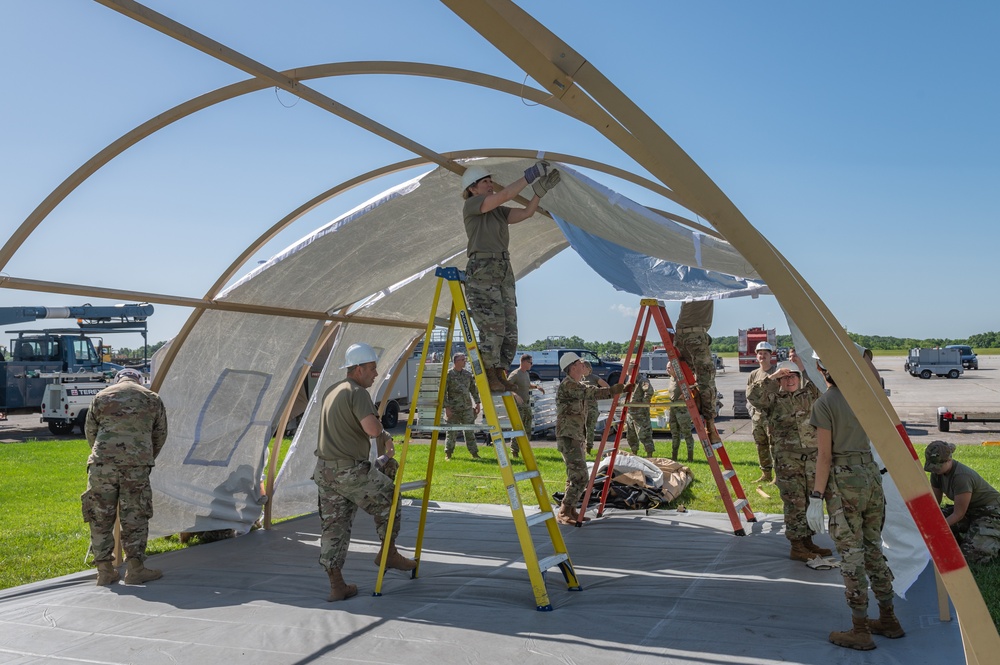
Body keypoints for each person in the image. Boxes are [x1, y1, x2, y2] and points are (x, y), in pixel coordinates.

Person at [807, 350, 902, 650]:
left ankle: (860, 629)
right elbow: (873, 376)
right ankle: (888, 618)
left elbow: (824, 456)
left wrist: (816, 496)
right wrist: (860, 357)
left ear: (821, 370)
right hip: (871, 476)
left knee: (851, 554)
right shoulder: (865, 395)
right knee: (873, 548)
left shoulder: (825, 403)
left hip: (845, 481)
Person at [313, 342, 416, 602]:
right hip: (350, 470)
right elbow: (371, 429)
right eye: (371, 368)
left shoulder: (332, 390)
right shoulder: (357, 392)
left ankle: (337, 585)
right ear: (358, 369)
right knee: (390, 500)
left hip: (326, 471)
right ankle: (389, 552)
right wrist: (384, 434)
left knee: (334, 527)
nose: (375, 373)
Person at [461, 161, 561, 393]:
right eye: (485, 182)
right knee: (493, 328)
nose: (489, 185)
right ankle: (487, 374)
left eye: (490, 181)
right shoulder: (473, 205)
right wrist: (530, 176)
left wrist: (538, 193)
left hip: (502, 268)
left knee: (509, 329)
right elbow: (505, 194)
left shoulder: (496, 210)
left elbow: (526, 212)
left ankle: (499, 372)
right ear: (472, 189)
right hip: (483, 269)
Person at [81, 367, 167, 586]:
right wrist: (145, 457)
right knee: (135, 516)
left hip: (102, 466)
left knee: (100, 517)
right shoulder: (152, 399)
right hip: (136, 466)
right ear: (139, 380)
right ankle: (135, 569)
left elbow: (91, 431)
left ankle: (104, 571)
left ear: (118, 379)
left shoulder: (101, 396)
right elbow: (159, 434)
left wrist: (105, 457)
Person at [746, 352, 831, 562]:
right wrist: (772, 377)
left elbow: (823, 378)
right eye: (785, 377)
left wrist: (806, 364)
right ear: (779, 380)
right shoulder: (773, 399)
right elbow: (753, 396)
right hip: (788, 460)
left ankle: (808, 541)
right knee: (795, 503)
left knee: (811, 500)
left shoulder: (810, 393)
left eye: (793, 376)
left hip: (812, 458)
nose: (790, 380)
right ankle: (797, 545)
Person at [555, 352, 630, 524]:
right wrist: (613, 390)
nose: (584, 365)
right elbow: (590, 393)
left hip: (575, 436)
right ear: (573, 367)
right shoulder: (569, 385)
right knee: (580, 476)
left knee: (575, 476)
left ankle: (571, 510)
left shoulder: (576, 384)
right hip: (569, 437)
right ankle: (565, 511)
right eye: (581, 363)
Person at [925, 440, 1000, 564]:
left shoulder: (962, 477)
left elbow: (958, 514)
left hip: (991, 513)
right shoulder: (937, 473)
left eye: (937, 465)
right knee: (935, 521)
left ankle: (992, 538)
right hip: (970, 511)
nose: (934, 469)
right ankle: (968, 538)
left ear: (949, 460)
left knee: (971, 557)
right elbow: (935, 505)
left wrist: (936, 529)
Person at [673, 300, 718, 438]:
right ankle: (709, 422)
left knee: (688, 377)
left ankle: (692, 400)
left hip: (682, 336)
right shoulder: (703, 284)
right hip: (695, 336)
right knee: (707, 379)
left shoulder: (689, 286)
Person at [748, 341, 778, 482]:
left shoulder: (776, 372)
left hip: (772, 415)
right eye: (760, 353)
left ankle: (778, 476)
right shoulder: (754, 374)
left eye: (765, 353)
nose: (762, 356)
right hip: (758, 416)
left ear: (770, 356)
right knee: (761, 445)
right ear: (756, 356)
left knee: (775, 446)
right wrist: (752, 412)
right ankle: (766, 474)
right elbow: (749, 394)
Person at [443, 352, 482, 461]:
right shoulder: (448, 375)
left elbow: (473, 390)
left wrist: (478, 403)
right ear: (456, 362)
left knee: (469, 431)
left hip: (467, 408)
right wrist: (447, 408)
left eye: (465, 360)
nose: (465, 362)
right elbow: (442, 393)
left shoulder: (467, 374)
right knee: (451, 432)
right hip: (453, 409)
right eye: (462, 360)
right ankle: (448, 453)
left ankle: (474, 453)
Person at [506, 353, 544, 459]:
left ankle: (525, 450)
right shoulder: (515, 374)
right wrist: (515, 395)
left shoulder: (526, 374)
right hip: (518, 406)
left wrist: (536, 387)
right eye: (530, 362)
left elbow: (527, 386)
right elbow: (507, 387)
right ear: (523, 362)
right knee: (518, 428)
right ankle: (515, 451)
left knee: (527, 428)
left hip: (526, 405)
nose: (531, 364)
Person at [666, 364, 695, 462]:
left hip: (682, 410)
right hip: (673, 409)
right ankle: (674, 456)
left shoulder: (681, 378)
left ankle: (690, 457)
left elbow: (693, 386)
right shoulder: (671, 378)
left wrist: (685, 394)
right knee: (674, 433)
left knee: (686, 433)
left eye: (669, 367)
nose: (667, 369)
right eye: (667, 368)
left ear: (675, 368)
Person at [580, 361, 609, 455]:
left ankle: (589, 448)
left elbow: (606, 387)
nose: (581, 368)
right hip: (581, 407)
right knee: (581, 428)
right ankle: (581, 448)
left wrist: (597, 393)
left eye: (583, 367)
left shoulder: (594, 377)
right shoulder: (579, 378)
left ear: (588, 368)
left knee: (590, 428)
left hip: (592, 407)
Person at [625, 373, 656, 457]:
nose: (627, 370)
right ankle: (634, 452)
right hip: (630, 413)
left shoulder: (642, 380)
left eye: (630, 368)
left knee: (644, 434)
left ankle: (649, 454)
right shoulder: (629, 379)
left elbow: (649, 391)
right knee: (631, 435)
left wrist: (643, 405)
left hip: (640, 413)